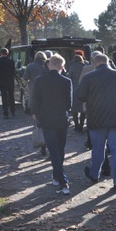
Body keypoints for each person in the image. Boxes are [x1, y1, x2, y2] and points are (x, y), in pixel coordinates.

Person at [77, 53, 116, 191]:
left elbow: (80, 95)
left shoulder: (89, 77)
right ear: (109, 61)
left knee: (98, 149)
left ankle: (94, 173)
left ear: (94, 63)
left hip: (96, 118)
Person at [32, 54, 72, 195]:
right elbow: (69, 104)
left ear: (49, 65)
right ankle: (58, 177)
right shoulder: (66, 81)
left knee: (53, 150)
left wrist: (35, 114)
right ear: (62, 67)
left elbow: (35, 100)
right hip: (61, 118)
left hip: (46, 118)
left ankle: (62, 180)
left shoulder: (39, 81)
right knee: (60, 149)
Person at [0, 48, 16, 118]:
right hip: (10, 81)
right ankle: (13, 110)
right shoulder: (11, 61)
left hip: (2, 81)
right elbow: (13, 71)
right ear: (7, 53)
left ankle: (5, 112)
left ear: (1, 53)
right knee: (11, 96)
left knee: (4, 97)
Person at [66, 53, 87, 132]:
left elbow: (69, 78)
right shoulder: (84, 66)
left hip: (74, 88)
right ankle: (81, 125)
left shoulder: (72, 67)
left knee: (74, 109)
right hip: (83, 88)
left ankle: (76, 126)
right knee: (83, 109)